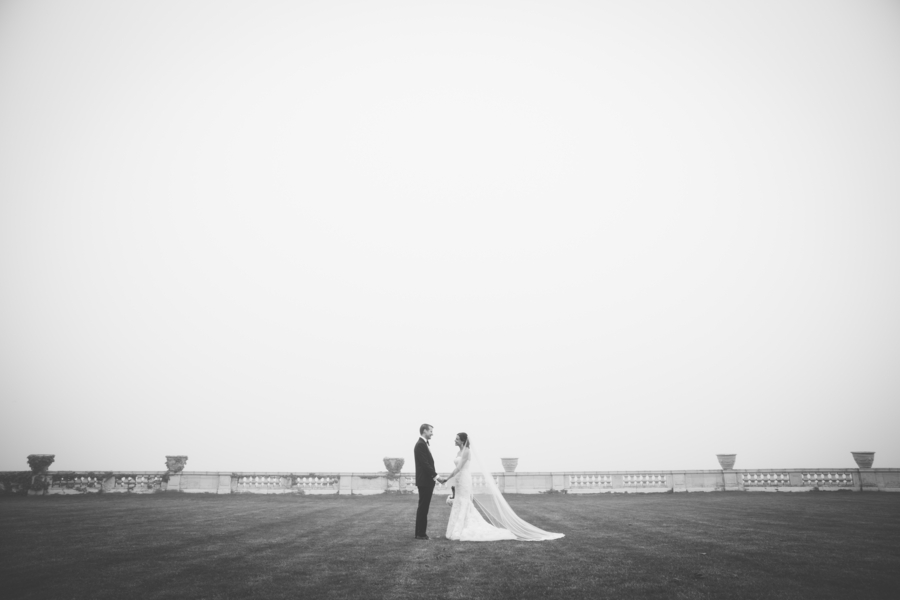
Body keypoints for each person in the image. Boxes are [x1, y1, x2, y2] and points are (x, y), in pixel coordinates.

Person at [438, 433, 564, 542]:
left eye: (457, 439)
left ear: (463, 441)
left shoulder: (467, 451)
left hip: (464, 479)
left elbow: (459, 468)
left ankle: (462, 529)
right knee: (459, 501)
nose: (455, 440)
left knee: (464, 502)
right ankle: (457, 528)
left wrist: (446, 479)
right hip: (459, 480)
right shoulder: (458, 452)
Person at [413, 423, 438, 540]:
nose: (432, 433)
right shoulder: (420, 445)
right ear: (424, 431)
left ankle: (419, 533)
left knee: (423, 508)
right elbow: (425, 464)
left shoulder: (422, 444)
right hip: (425, 481)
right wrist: (436, 476)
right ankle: (421, 534)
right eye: (430, 431)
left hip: (425, 481)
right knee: (423, 508)